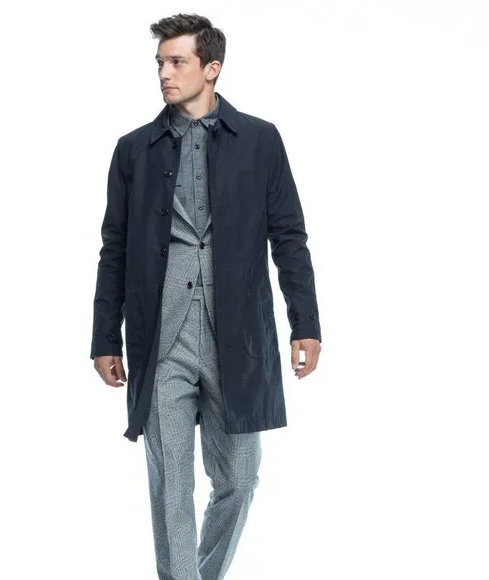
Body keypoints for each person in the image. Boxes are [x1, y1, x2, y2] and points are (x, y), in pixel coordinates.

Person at [90, 13, 322, 579]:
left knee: (239, 478)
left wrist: (306, 323)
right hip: (160, 335)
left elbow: (289, 236)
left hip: (236, 335)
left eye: (178, 62)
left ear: (211, 68)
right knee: (171, 483)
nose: (164, 74)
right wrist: (104, 337)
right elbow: (114, 248)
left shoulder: (261, 141)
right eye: (160, 63)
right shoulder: (133, 150)